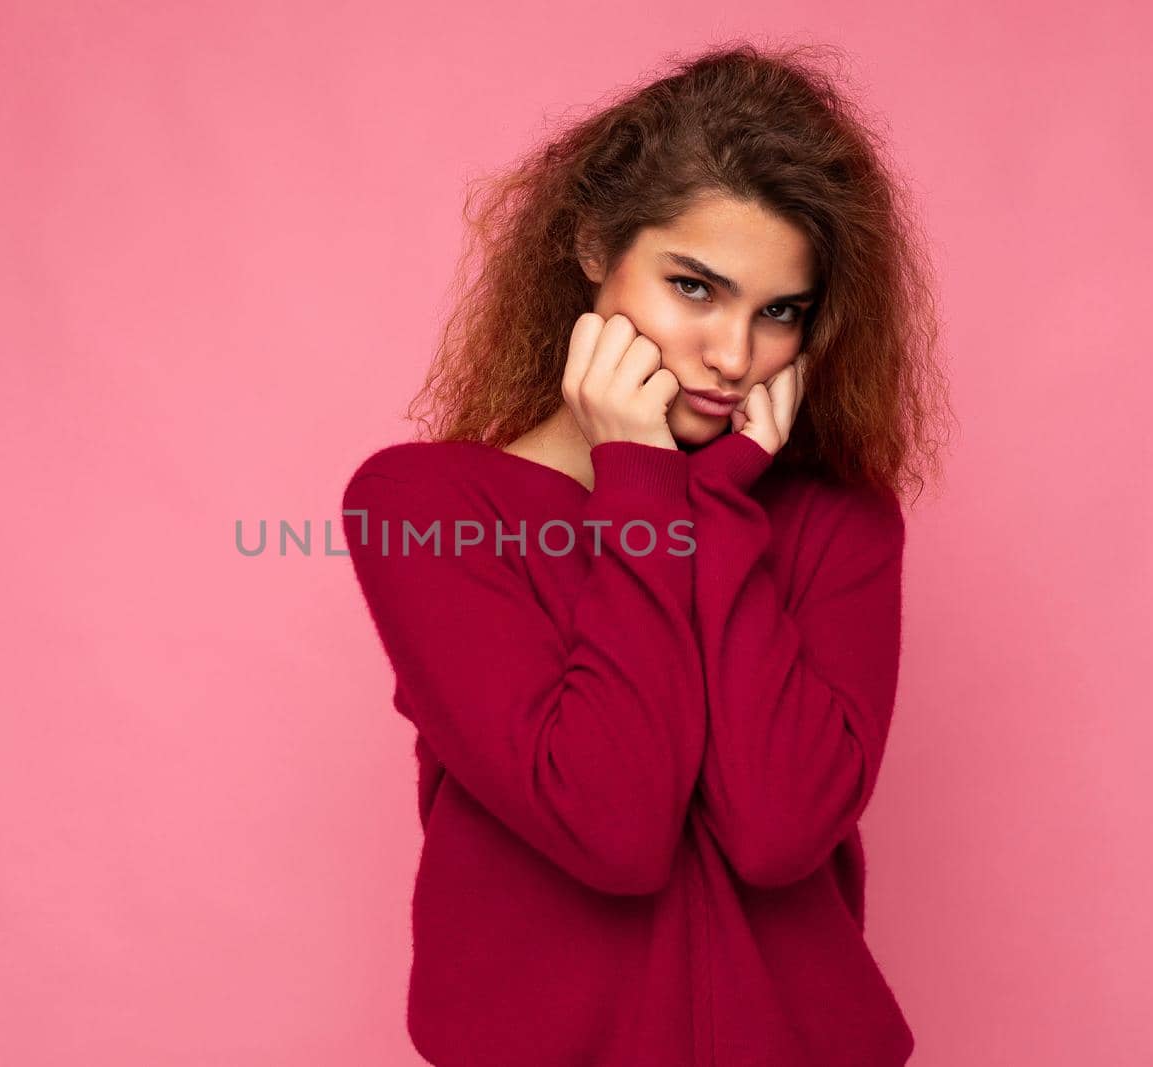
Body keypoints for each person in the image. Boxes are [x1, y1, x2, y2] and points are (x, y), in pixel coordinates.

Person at [341, 41, 953, 1067]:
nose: (733, 355)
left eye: (780, 313)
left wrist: (712, 501)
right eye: (695, 287)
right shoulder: (426, 507)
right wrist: (639, 481)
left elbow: (776, 829)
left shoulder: (834, 522)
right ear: (592, 245)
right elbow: (613, 826)